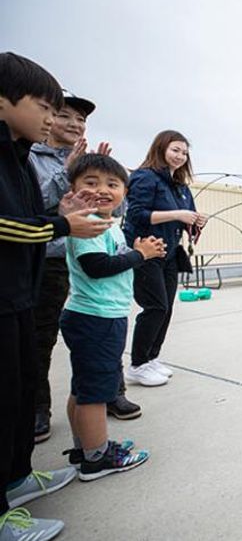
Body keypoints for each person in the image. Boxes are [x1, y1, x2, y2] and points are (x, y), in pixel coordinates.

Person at [0, 51, 111, 541]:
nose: (52, 116)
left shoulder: (18, 157)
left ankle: (16, 478)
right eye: (44, 106)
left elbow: (31, 217)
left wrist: (59, 208)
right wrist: (62, 223)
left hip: (21, 294)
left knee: (23, 385)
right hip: (7, 295)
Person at [29, 91, 141, 444]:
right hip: (49, 259)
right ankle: (38, 409)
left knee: (102, 345)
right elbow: (35, 203)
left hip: (89, 269)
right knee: (42, 336)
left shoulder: (94, 163)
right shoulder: (29, 158)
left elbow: (113, 215)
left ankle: (111, 392)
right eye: (64, 115)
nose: (74, 124)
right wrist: (70, 173)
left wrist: (106, 183)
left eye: (80, 120)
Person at [60, 153, 157, 481]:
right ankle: (96, 458)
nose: (102, 189)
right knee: (96, 392)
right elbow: (97, 267)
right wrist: (138, 254)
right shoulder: (87, 226)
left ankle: (85, 446)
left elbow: (115, 262)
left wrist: (137, 253)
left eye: (112, 184)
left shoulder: (106, 225)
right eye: (90, 182)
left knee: (83, 387)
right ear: (72, 188)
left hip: (99, 316)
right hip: (96, 318)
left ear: (124, 192)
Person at [123, 130, 206, 386]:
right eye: (175, 150)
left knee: (167, 307)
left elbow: (186, 218)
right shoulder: (145, 178)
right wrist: (177, 214)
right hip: (147, 250)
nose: (180, 156)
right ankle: (137, 363)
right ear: (160, 148)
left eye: (184, 152)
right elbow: (137, 214)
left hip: (170, 253)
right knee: (155, 306)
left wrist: (195, 221)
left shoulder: (179, 186)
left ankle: (151, 357)